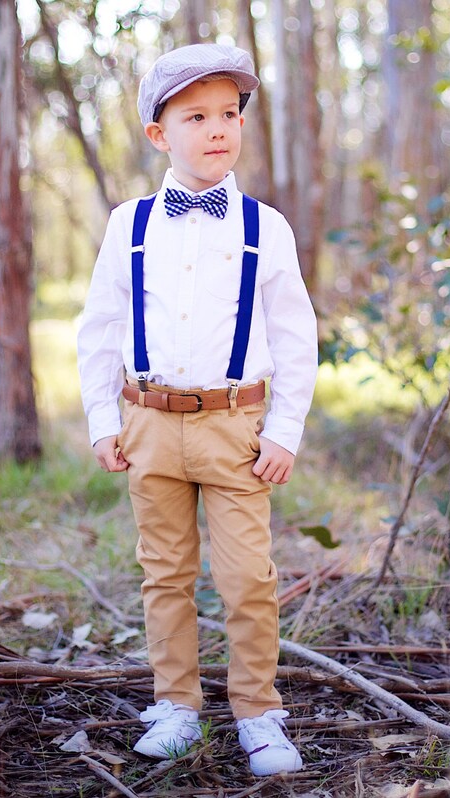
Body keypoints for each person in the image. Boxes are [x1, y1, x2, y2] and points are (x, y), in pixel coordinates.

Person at [77, 42, 318, 777]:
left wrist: (283, 431)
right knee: (165, 572)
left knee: (248, 576)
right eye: (196, 116)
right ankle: (177, 703)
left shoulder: (263, 226)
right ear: (159, 134)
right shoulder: (130, 224)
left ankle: (258, 712)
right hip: (147, 422)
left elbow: (295, 338)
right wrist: (101, 420)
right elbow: (99, 327)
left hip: (234, 428)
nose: (218, 128)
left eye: (229, 113)